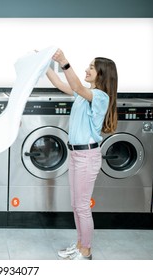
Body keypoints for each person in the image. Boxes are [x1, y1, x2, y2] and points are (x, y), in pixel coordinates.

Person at [46, 49, 118, 260]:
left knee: (82, 206)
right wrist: (44, 65)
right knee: (76, 205)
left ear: (102, 74)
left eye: (92, 67)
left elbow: (76, 85)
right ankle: (79, 244)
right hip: (77, 156)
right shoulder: (84, 94)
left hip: (87, 157)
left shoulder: (100, 97)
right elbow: (61, 85)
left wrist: (64, 62)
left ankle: (86, 250)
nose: (87, 69)